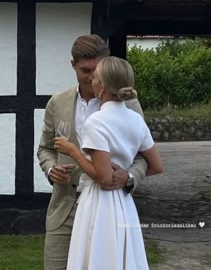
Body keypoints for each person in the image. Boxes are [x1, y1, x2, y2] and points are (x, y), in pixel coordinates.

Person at [37, 35, 148, 270]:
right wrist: (50, 169)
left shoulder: (128, 105)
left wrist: (128, 177)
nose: (91, 77)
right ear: (73, 65)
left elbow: (145, 157)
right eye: (84, 70)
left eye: (96, 70)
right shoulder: (57, 102)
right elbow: (45, 148)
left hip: (108, 212)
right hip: (63, 211)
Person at [54, 56, 163, 270]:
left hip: (98, 202)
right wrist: (128, 176)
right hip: (124, 202)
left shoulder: (96, 122)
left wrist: (73, 151)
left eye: (96, 77)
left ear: (102, 86)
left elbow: (103, 178)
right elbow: (157, 166)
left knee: (97, 257)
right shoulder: (135, 119)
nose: (91, 79)